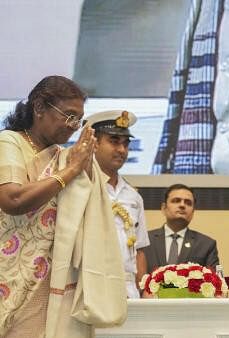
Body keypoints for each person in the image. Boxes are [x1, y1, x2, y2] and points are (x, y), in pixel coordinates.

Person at [0, 76, 125, 337]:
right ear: (39, 108)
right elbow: (13, 200)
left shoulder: (63, 157)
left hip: (50, 279)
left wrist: (83, 171)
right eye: (68, 116)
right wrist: (70, 171)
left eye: (78, 120)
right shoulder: (10, 142)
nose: (73, 126)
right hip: (10, 276)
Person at [87, 110, 150, 298]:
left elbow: (139, 250)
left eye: (125, 143)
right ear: (95, 143)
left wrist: (143, 289)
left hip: (128, 289)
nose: (122, 150)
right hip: (93, 285)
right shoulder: (82, 187)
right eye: (114, 141)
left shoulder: (133, 196)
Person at [143, 184, 220, 273]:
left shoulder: (206, 244)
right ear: (164, 208)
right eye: (176, 201)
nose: (182, 205)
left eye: (188, 203)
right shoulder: (145, 241)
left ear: (193, 211)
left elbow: (215, 282)